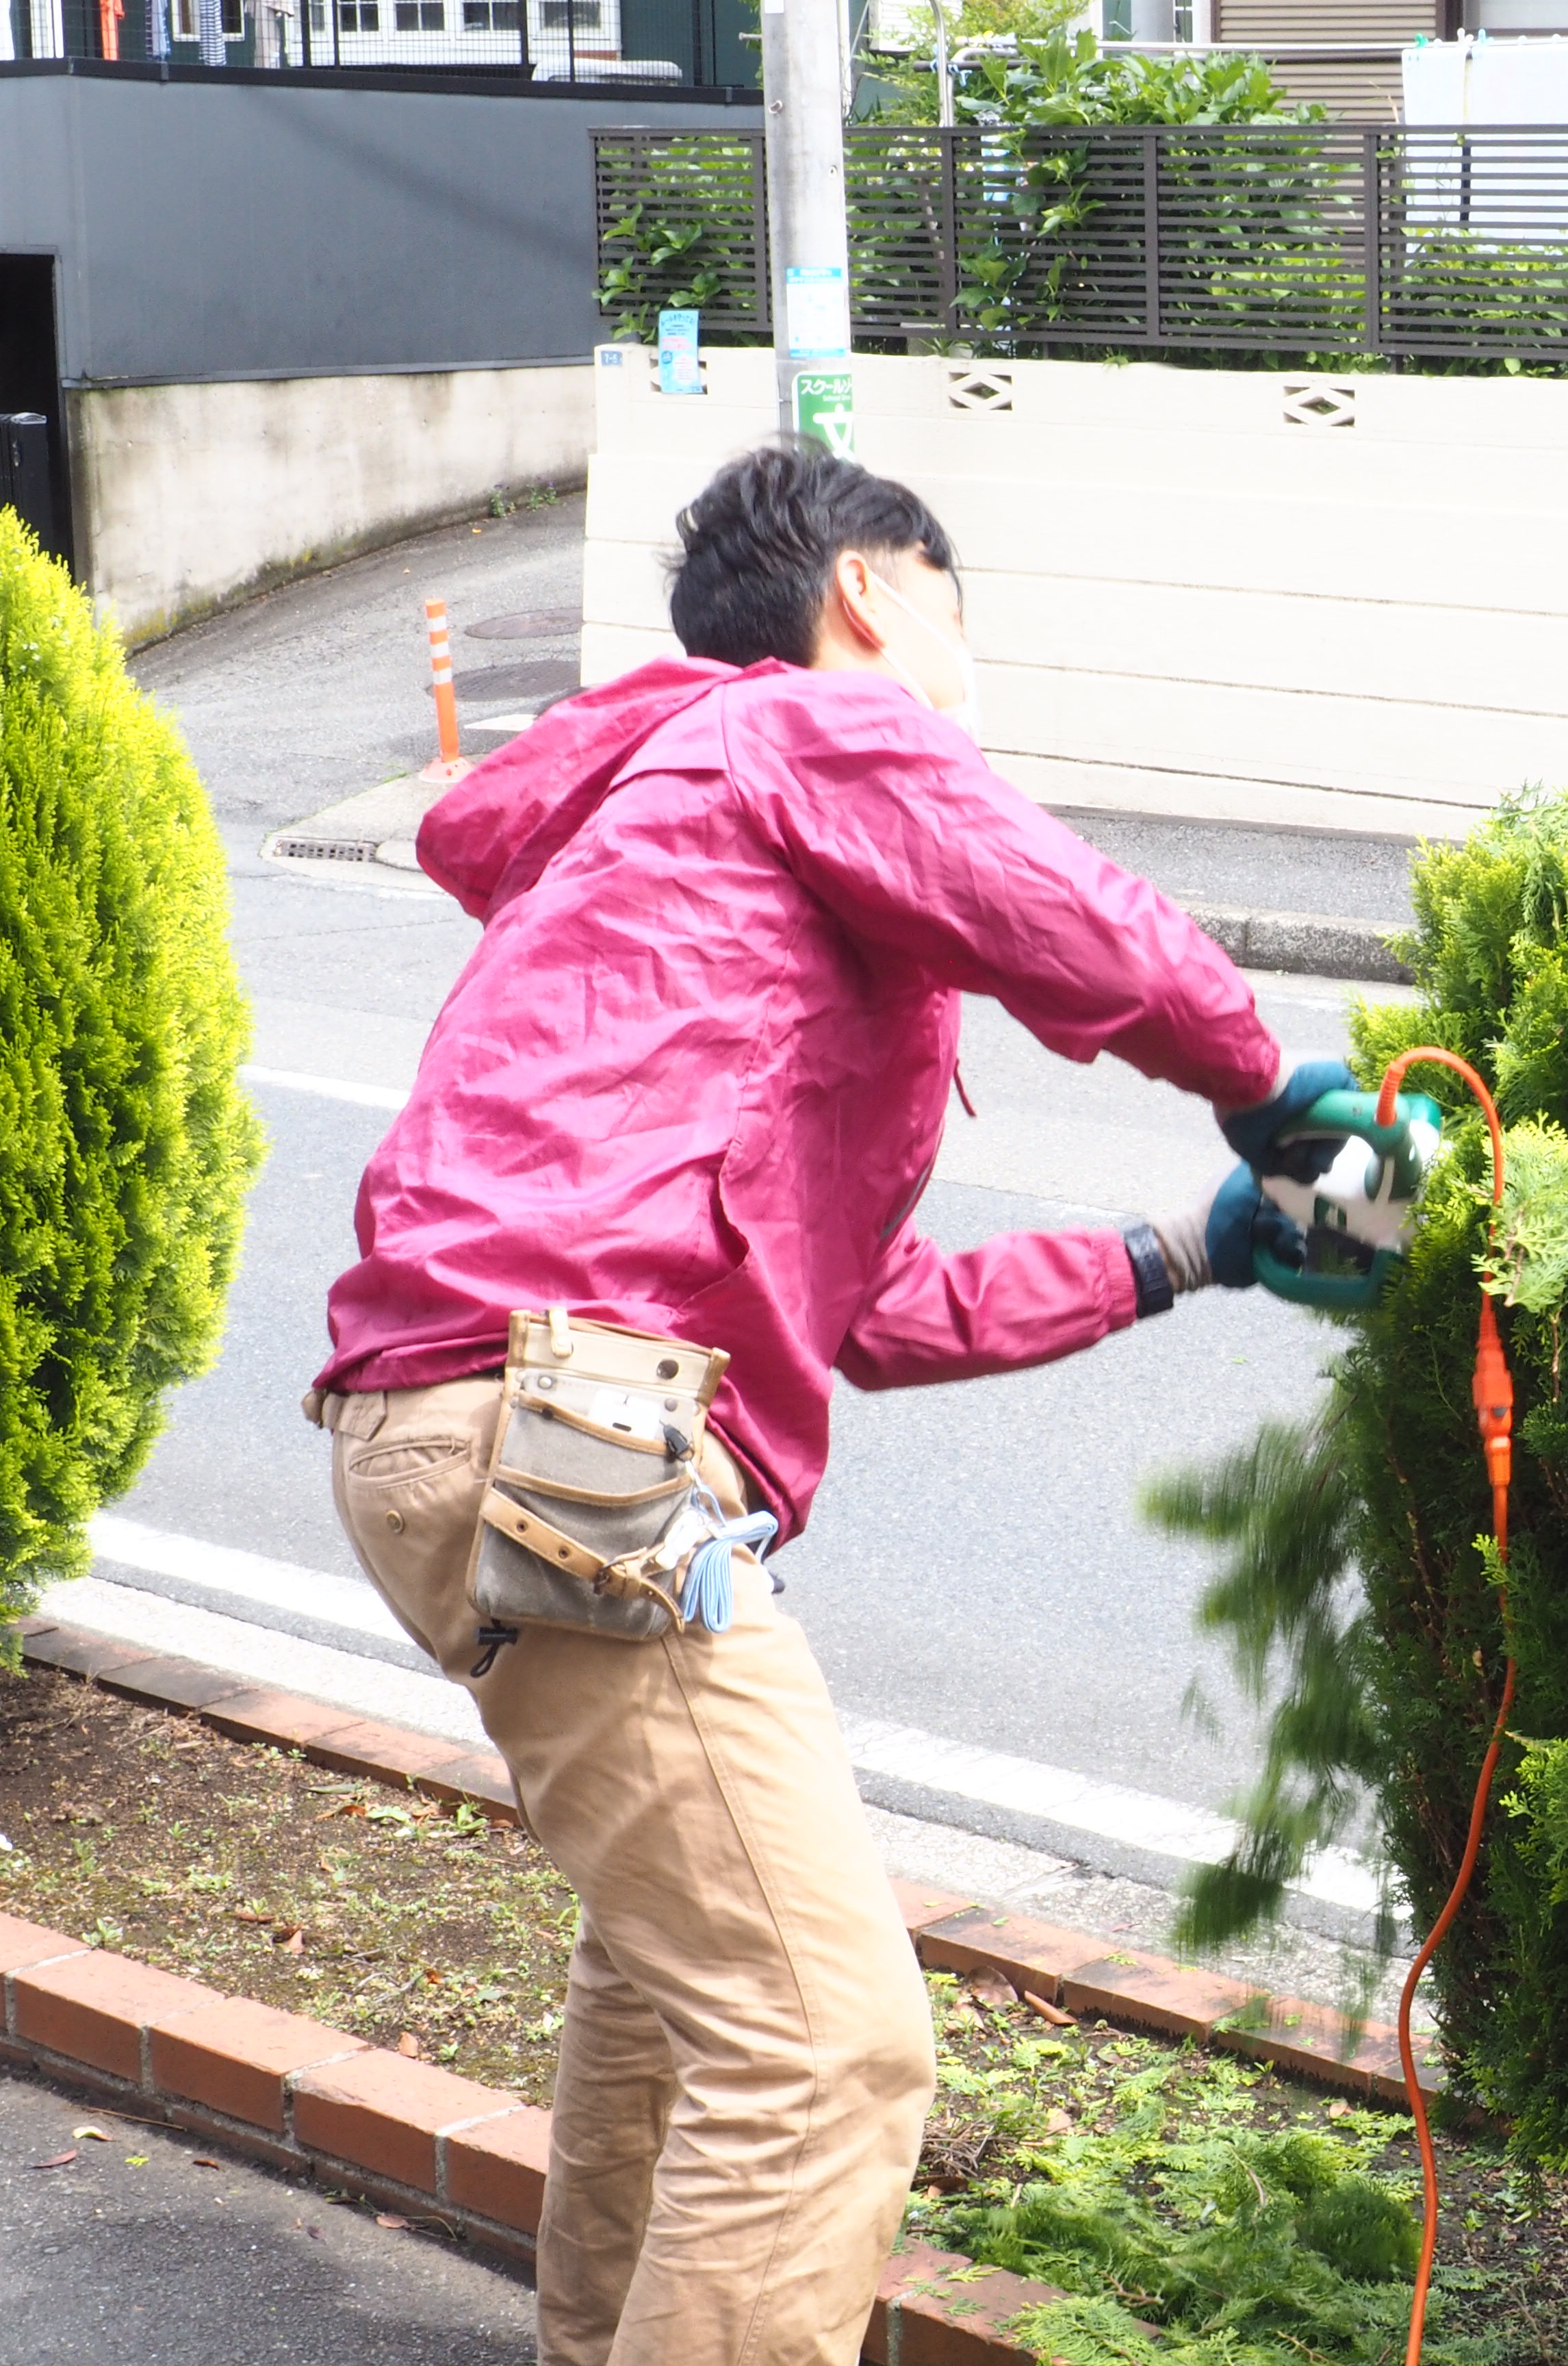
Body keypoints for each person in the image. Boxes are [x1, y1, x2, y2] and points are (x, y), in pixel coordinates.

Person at [301, 442, 1348, 2366]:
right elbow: (1072, 919)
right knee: (829, 2050)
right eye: (955, 614)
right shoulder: (799, 734)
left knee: (675, 1989)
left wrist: (1179, 1253)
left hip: (479, 1423)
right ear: (871, 592)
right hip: (578, 1420)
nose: (964, 667)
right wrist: (1266, 1083)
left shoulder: (673, 847)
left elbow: (859, 1306)